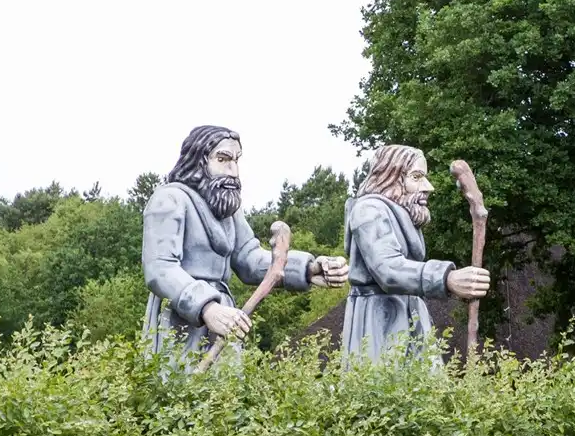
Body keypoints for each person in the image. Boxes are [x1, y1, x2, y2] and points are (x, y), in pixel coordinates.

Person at [141, 125, 349, 356]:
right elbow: (160, 268)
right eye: (223, 159)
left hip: (226, 319)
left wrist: (308, 270)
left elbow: (249, 259)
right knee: (179, 384)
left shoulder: (227, 211)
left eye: (236, 161)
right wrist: (207, 307)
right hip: (182, 318)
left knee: (225, 388)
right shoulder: (170, 199)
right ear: (199, 161)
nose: (233, 171)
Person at [342, 144, 489, 362]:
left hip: (411, 315)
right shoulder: (368, 211)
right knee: (385, 386)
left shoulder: (403, 217)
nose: (428, 187)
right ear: (391, 177)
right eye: (417, 177)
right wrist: (446, 278)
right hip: (380, 321)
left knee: (425, 388)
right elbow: (388, 270)